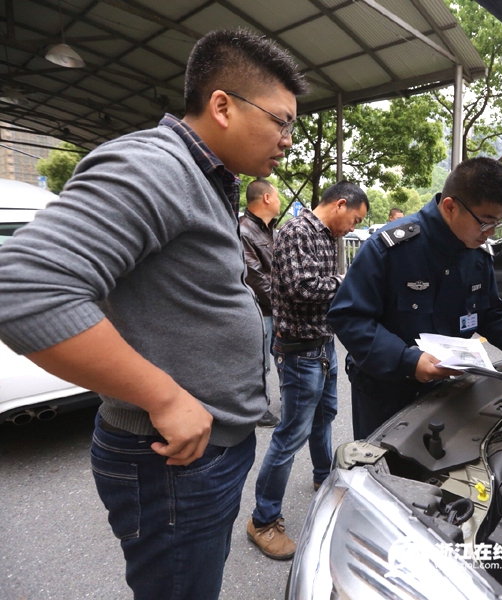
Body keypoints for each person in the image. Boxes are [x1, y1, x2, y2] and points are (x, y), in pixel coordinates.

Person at [0, 29, 307, 600]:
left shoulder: (208, 179)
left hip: (204, 454)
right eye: (282, 120)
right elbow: (24, 287)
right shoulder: (156, 165)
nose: (289, 139)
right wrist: (163, 397)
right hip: (172, 463)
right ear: (221, 105)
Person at [328, 157, 502, 440]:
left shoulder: (477, 254)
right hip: (386, 390)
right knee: (382, 471)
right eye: (486, 222)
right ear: (450, 207)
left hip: (446, 388)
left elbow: (491, 314)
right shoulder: (390, 248)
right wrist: (407, 360)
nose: (491, 233)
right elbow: (349, 317)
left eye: (498, 222)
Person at [247, 181, 369, 560]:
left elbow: (321, 288)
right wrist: (349, 282)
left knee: (324, 418)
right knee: (290, 435)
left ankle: (322, 477)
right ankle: (262, 520)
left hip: (320, 345)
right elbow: (303, 289)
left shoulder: (322, 235)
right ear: (341, 204)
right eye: (355, 219)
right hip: (300, 352)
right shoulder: (299, 232)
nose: (352, 227)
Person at [240, 178, 282, 427]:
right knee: (261, 364)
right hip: (261, 309)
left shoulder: (272, 230)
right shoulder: (244, 230)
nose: (279, 201)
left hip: (275, 307)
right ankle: (259, 409)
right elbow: (256, 278)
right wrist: (282, 305)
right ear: (266, 198)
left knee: (282, 360)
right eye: (276, 196)